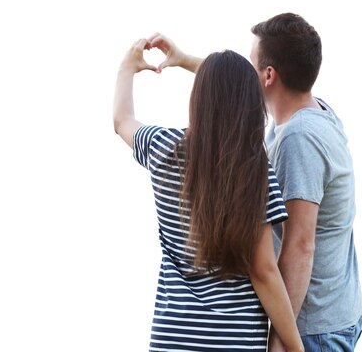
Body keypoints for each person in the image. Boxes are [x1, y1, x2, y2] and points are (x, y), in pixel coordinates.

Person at [150, 13, 362, 352]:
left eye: (253, 62)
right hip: (332, 312)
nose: (247, 71)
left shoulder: (299, 139)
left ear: (268, 75)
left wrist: (279, 343)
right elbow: (233, 86)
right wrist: (185, 60)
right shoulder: (311, 109)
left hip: (309, 329)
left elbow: (300, 246)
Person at [113, 38, 304, 352]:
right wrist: (296, 348)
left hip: (172, 341)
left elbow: (121, 121)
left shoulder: (163, 149)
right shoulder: (255, 171)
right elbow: (263, 270)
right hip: (235, 342)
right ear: (251, 106)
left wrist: (127, 68)